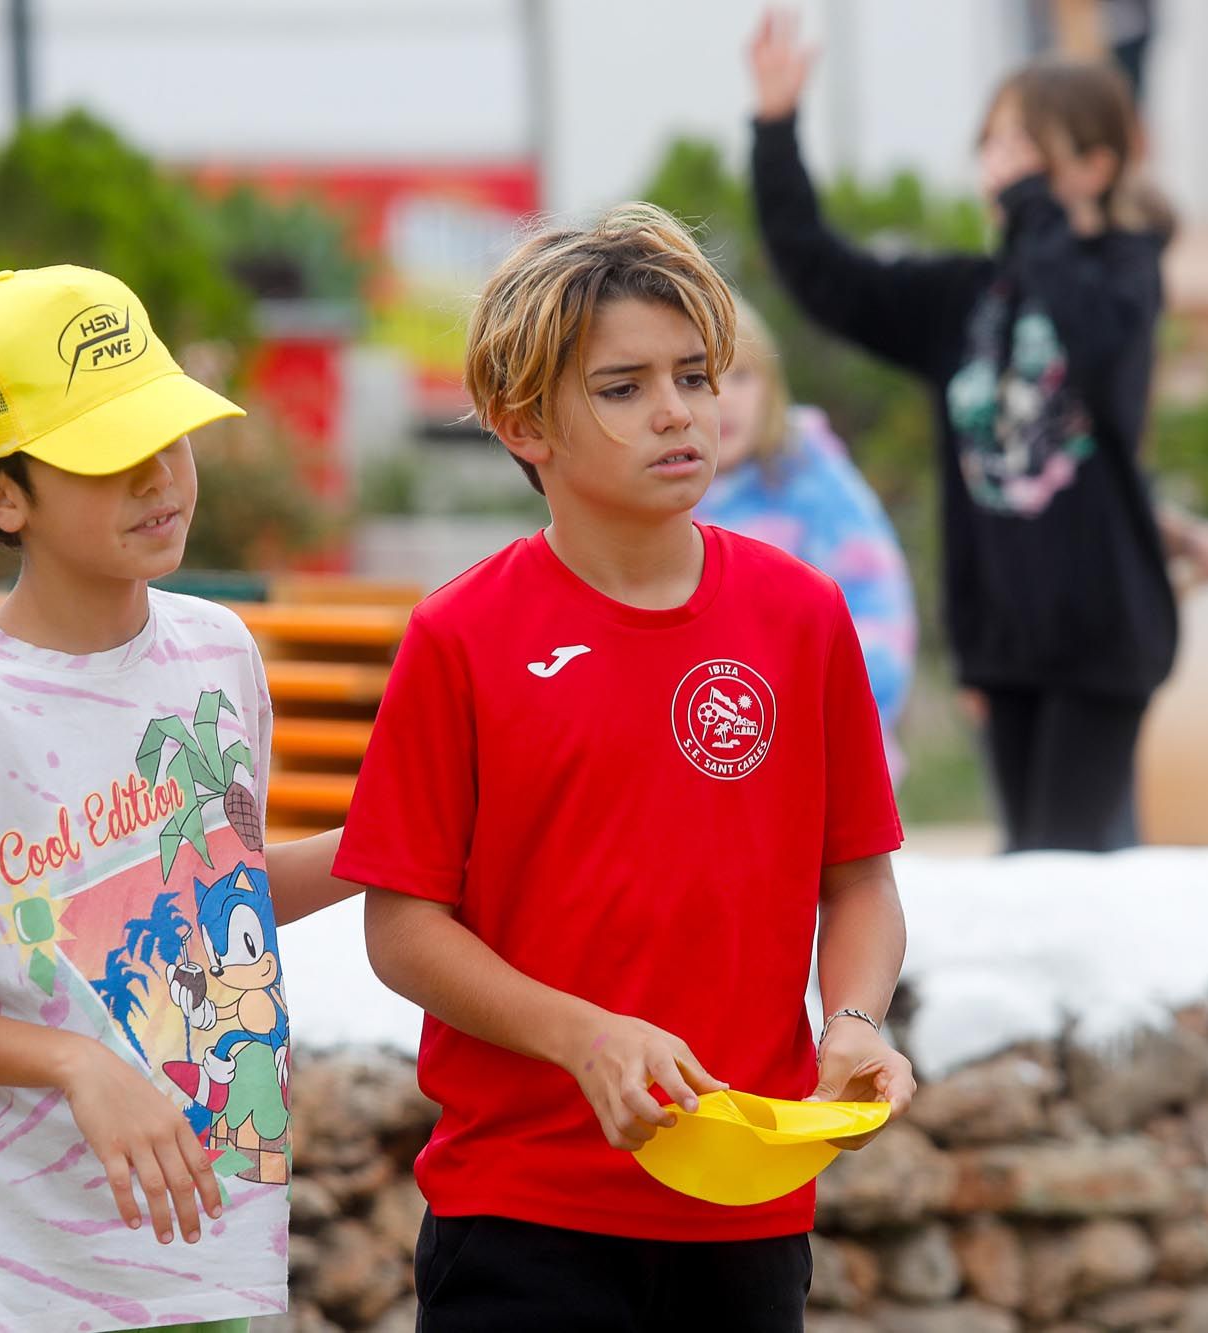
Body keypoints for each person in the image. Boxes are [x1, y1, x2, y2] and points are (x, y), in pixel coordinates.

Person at [332, 203, 914, 1332]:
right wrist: (580, 1035)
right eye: (622, 387)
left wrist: (853, 1018)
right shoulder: (460, 635)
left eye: (697, 375)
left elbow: (859, 881)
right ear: (521, 422)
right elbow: (400, 928)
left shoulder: (800, 615)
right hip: (521, 1216)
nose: (676, 412)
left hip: (746, 1211)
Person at [0, 264, 352, 1333]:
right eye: (110, 454)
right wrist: (75, 1065)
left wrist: (409, 845)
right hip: (19, 1272)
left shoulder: (219, 651)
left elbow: (215, 899)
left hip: (212, 1246)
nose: (160, 475)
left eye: (170, 433)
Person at [747, 10, 1208, 852]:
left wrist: (1038, 215)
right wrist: (776, 128)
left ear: (1095, 164)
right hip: (1002, 633)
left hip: (1102, 627)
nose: (1003, 167)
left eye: (1028, 148)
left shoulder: (1127, 273)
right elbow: (826, 276)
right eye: (994, 145)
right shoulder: (964, 298)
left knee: (1065, 857)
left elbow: (1092, 343)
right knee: (1028, 857)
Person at [698, 295, 918, 781]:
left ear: (771, 387)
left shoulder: (813, 482)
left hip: (819, 746)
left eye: (741, 377)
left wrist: (843, 709)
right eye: (703, 381)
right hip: (701, 748)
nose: (724, 398)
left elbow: (879, 601)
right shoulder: (660, 496)